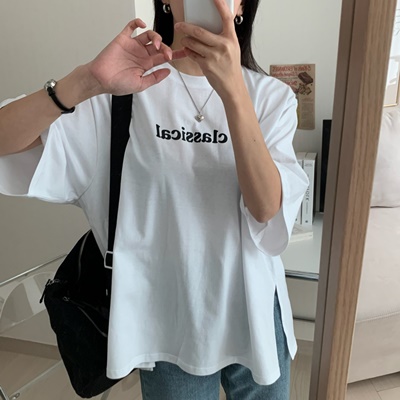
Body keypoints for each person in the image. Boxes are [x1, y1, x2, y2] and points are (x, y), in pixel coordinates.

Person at [0, 0, 308, 398]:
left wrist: (234, 91)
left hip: (256, 313)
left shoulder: (271, 98)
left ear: (241, 8)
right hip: (164, 325)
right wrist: (86, 81)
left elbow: (266, 209)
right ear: (166, 1)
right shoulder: (119, 92)